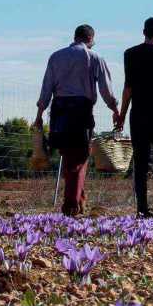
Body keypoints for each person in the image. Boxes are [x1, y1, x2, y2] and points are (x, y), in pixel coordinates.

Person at [35, 24, 119, 217]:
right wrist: (115, 110)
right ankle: (71, 205)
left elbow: (46, 87)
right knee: (79, 158)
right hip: (81, 110)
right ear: (90, 39)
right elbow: (106, 89)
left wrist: (39, 114)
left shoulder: (56, 56)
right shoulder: (94, 57)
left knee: (68, 156)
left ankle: (79, 201)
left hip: (59, 110)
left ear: (75, 37)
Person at [115, 17, 153, 216]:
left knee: (140, 161)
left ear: (144, 31)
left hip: (138, 113)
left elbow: (128, 88)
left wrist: (122, 114)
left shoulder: (130, 54)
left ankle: (141, 206)